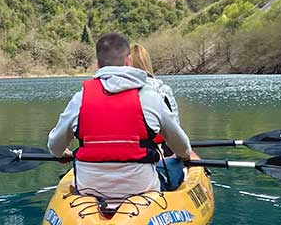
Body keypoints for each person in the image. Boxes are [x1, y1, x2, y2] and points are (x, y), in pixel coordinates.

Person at [47, 31, 195, 202]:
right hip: (141, 189)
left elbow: (55, 146)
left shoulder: (80, 98)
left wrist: (61, 154)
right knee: (176, 164)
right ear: (128, 61)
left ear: (98, 64)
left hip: (89, 188)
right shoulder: (150, 96)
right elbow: (182, 145)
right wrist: (183, 157)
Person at [130, 42, 186, 190]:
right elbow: (175, 131)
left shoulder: (110, 92)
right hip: (152, 159)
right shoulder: (161, 90)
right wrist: (183, 155)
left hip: (120, 162)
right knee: (177, 162)